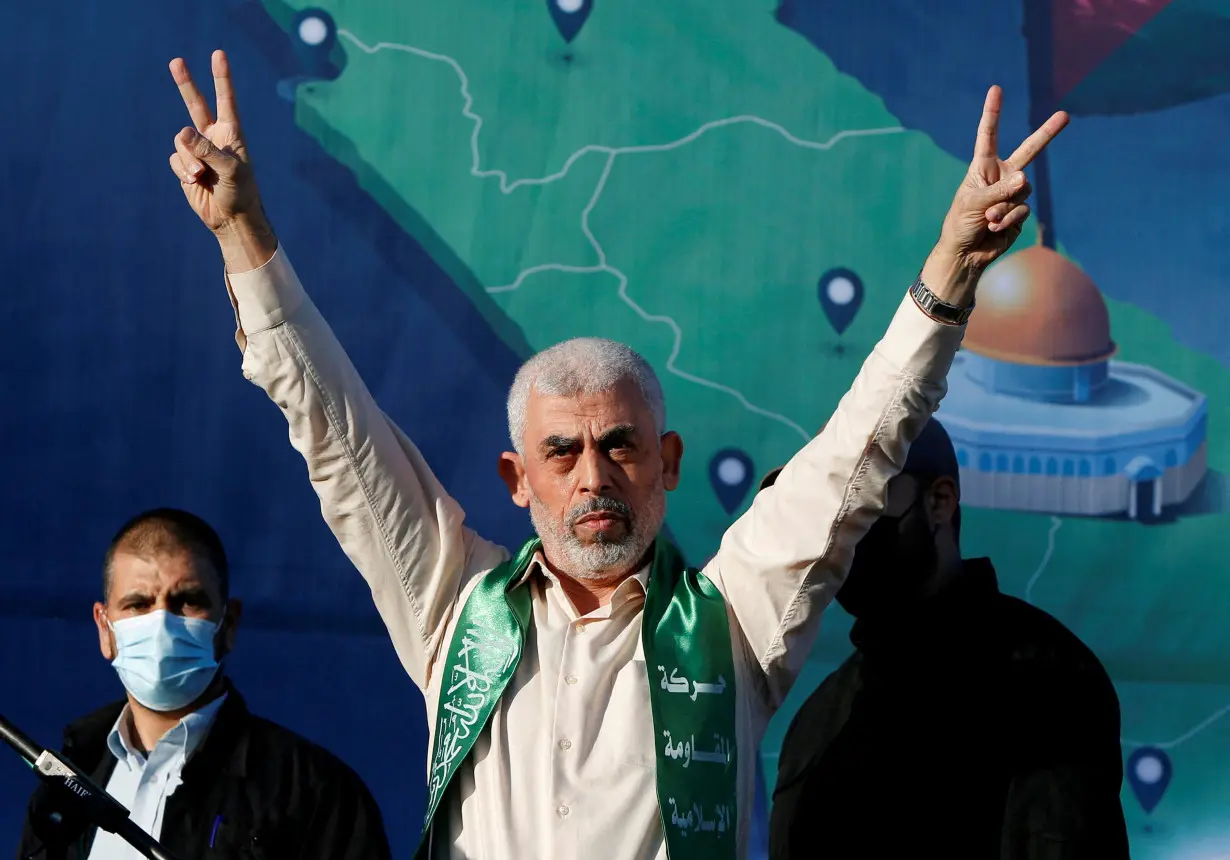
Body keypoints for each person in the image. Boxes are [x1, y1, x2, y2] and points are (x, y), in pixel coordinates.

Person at [162, 48, 1067, 860]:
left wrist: (950, 268)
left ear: (667, 463)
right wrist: (244, 238)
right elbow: (339, 435)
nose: (593, 476)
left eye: (620, 445)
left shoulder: (735, 620)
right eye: (562, 453)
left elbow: (858, 452)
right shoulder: (450, 607)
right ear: (518, 480)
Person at [766, 419, 1130, 859]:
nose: (834, 534)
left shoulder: (1043, 679)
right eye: (819, 514)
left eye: (856, 503)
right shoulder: (820, 717)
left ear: (939, 501)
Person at [16, 509, 392, 860]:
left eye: (187, 602)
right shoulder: (67, 786)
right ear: (105, 629)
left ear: (228, 625)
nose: (161, 623)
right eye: (138, 604)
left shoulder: (313, 793)